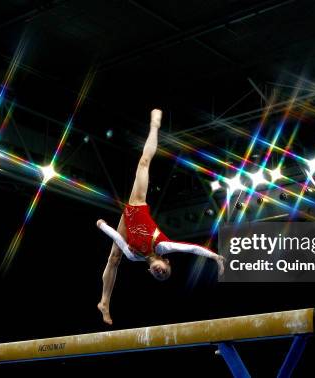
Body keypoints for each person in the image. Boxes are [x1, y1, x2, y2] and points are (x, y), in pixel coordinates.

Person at [96, 109, 224, 325]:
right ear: (165, 261)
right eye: (165, 273)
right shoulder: (162, 247)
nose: (160, 273)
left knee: (114, 258)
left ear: (150, 271)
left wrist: (103, 227)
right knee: (144, 162)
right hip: (137, 204)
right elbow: (191, 248)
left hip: (126, 219)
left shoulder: (135, 256)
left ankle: (104, 302)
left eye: (158, 276)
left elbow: (119, 240)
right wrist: (215, 257)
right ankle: (154, 127)